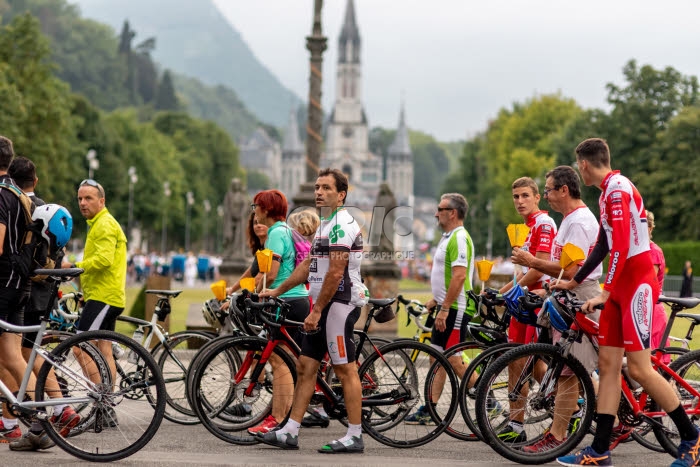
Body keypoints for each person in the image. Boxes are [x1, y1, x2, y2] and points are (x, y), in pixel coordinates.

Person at [555, 138, 700, 467]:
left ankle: (691, 438)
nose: (580, 169)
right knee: (607, 369)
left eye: (579, 165)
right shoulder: (606, 192)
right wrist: (576, 281)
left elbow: (620, 243)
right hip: (620, 288)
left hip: (635, 287)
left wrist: (605, 289)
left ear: (585, 164)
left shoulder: (618, 189)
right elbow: (603, 244)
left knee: (639, 369)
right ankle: (600, 450)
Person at [258, 168, 368, 453]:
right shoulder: (324, 224)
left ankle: (355, 435)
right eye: (317, 187)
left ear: (341, 195)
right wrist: (276, 290)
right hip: (323, 304)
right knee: (305, 367)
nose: (318, 192)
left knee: (345, 369)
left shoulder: (343, 224)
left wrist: (316, 310)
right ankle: (290, 431)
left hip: (340, 304)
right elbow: (308, 266)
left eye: (326, 188)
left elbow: (335, 273)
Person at [509, 166, 601, 452]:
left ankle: (558, 435)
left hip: (580, 295)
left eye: (547, 190)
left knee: (571, 371)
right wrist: (551, 285)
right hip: (567, 294)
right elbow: (566, 268)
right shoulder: (568, 220)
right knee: (572, 369)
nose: (545, 195)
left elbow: (572, 269)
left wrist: (532, 263)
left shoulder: (577, 222)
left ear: (564, 190)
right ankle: (600, 419)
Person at [7, 157, 80, 450]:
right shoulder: (45, 207)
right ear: (35, 181)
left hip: (25, 290)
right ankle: (37, 419)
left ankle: (45, 412)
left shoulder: (18, 207)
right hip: (43, 292)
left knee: (21, 354)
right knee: (23, 353)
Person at [404, 193, 477, 425]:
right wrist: (436, 300)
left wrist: (444, 308)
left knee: (453, 359)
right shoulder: (448, 237)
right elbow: (447, 277)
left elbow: (459, 276)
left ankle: (489, 402)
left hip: (456, 308)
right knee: (437, 358)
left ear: (452, 213)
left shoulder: (459, 237)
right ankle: (430, 408)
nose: (436, 213)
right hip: (447, 305)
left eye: (440, 208)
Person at [61, 178, 127, 427]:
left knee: (79, 347)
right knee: (103, 349)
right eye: (79, 198)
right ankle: (107, 407)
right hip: (105, 296)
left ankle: (102, 402)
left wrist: (74, 267)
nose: (82, 203)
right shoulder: (98, 223)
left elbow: (104, 260)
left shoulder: (104, 224)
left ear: (102, 201)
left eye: (88, 198)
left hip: (103, 297)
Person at [244, 190, 310, 434]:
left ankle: (278, 419)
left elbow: (271, 273)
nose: (254, 211)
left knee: (279, 361)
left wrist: (255, 292)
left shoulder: (274, 234)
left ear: (266, 209)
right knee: (286, 360)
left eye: (256, 206)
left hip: (286, 300)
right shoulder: (284, 230)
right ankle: (283, 418)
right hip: (295, 299)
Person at [497, 177, 557, 443]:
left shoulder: (544, 224)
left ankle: (571, 405)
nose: (519, 201)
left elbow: (540, 267)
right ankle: (516, 424)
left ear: (537, 197)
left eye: (524, 196)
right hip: (525, 299)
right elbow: (523, 272)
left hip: (535, 303)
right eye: (515, 197)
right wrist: (500, 293)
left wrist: (514, 290)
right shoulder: (528, 226)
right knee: (519, 363)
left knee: (524, 361)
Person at [0, 138, 48, 447]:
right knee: (11, 356)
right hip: (19, 283)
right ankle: (33, 421)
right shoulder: (17, 194)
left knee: (14, 357)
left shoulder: (2, 195)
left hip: (3, 284)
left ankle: (42, 417)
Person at [647, 210, 670, 359]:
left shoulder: (653, 251)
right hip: (644, 309)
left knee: (655, 365)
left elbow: (648, 281)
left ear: (649, 228)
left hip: (652, 311)